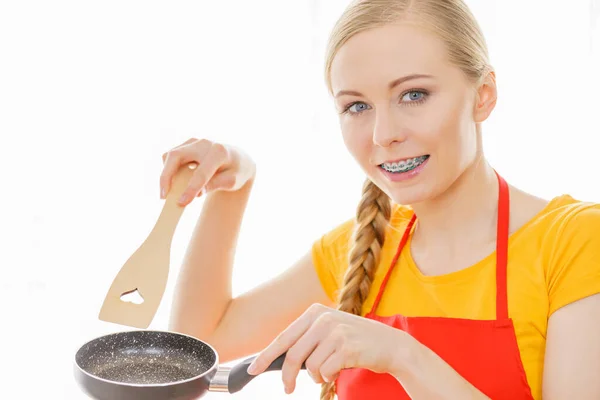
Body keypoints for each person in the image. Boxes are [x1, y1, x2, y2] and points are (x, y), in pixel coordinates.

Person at [163, 0, 600, 398]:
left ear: (483, 94)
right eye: (357, 106)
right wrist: (232, 190)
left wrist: (402, 355)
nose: (383, 134)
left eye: (414, 95)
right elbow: (190, 354)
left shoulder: (574, 242)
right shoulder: (360, 250)